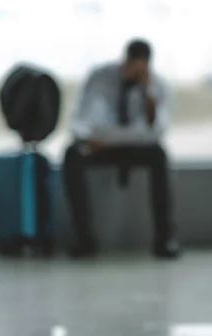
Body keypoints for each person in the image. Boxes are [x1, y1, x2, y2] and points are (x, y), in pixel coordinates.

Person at [63, 39, 180, 259]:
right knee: (72, 156)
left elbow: (155, 131)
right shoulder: (100, 77)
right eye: (130, 65)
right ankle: (84, 239)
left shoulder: (159, 86)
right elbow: (80, 121)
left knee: (160, 156)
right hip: (99, 146)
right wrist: (91, 138)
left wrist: (148, 95)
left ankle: (165, 239)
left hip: (133, 147)